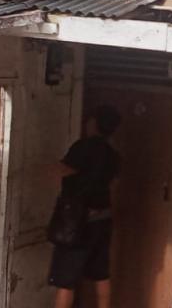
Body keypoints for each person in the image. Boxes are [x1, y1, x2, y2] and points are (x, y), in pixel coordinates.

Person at [50, 105, 122, 308]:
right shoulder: (112, 154)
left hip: (78, 221)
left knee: (66, 279)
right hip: (103, 218)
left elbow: (63, 170)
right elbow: (114, 184)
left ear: (95, 123)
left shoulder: (83, 147)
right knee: (101, 274)